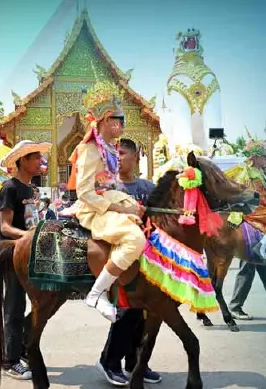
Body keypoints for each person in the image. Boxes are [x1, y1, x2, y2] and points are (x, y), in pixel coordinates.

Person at [59, 82, 146, 325]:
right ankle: (97, 293)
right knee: (135, 240)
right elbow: (85, 192)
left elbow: (110, 184)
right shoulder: (90, 149)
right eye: (120, 120)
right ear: (107, 119)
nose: (123, 125)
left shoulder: (109, 147)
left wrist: (130, 206)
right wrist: (122, 208)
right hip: (93, 208)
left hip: (110, 199)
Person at [95, 138, 162, 386]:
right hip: (120, 261)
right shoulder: (107, 187)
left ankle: (136, 364)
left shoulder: (149, 188)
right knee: (126, 313)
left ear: (135, 156)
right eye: (113, 154)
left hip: (148, 261)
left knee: (144, 316)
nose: (117, 158)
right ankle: (110, 362)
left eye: (122, 153)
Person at [0, 140, 51, 380]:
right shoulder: (9, 188)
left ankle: (22, 348)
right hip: (11, 255)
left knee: (42, 303)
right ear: (23, 161)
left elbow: (31, 222)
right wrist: (31, 237)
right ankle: (9, 360)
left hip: (28, 254)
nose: (41, 161)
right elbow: (5, 227)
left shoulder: (30, 190)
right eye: (36, 157)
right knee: (14, 307)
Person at [225, 134, 266, 260]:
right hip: (255, 209)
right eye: (264, 156)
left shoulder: (260, 172)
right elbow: (252, 195)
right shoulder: (249, 173)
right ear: (256, 158)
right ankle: (261, 247)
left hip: (263, 206)